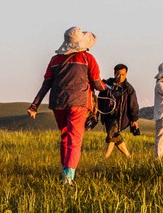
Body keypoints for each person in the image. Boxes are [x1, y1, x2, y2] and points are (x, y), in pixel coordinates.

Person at [28, 26, 107, 183]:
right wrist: (106, 87)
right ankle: (68, 176)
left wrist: (34, 105)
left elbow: (46, 84)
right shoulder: (87, 59)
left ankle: (65, 169)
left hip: (58, 103)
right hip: (79, 103)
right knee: (74, 139)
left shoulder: (55, 60)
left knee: (65, 135)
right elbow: (97, 84)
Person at [98, 64, 139, 159]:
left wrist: (134, 119)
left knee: (112, 134)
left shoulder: (129, 89)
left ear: (126, 74)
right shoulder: (107, 84)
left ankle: (105, 157)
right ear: (114, 73)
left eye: (123, 74)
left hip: (120, 116)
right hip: (108, 115)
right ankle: (129, 156)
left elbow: (133, 104)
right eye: (118, 74)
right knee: (115, 136)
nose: (120, 77)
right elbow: (100, 98)